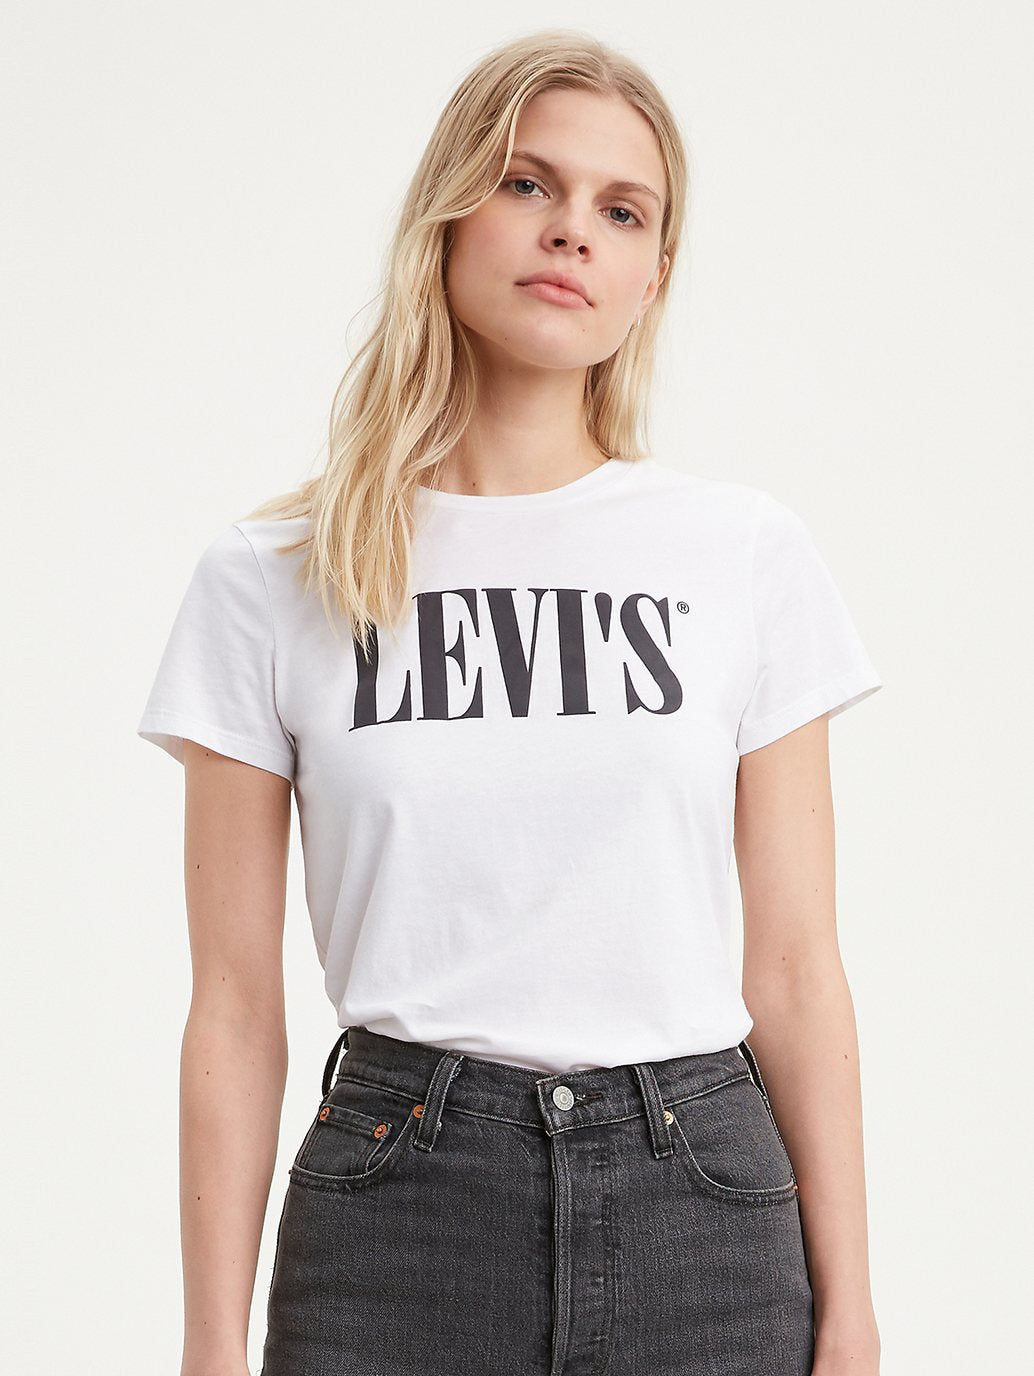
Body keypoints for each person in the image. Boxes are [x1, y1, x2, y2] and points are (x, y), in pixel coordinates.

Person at [137, 28, 884, 1376]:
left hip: (702, 1209)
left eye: (622, 210)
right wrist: (206, 1346)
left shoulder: (740, 555)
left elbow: (793, 968)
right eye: (527, 183)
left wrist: (854, 1315)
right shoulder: (272, 577)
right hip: (397, 1216)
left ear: (653, 278)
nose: (571, 231)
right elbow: (235, 1008)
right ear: (448, 212)